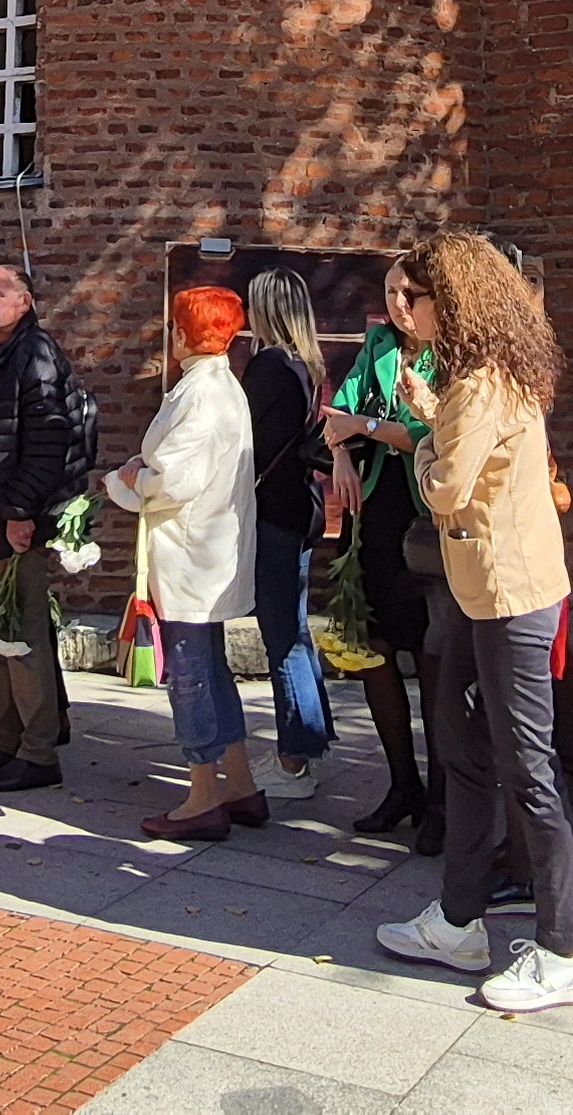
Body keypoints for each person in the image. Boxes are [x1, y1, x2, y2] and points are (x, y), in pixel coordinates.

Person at [371, 233, 573, 1014]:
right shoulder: (488, 375)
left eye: (415, 297)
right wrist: (434, 419)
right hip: (482, 588)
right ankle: (460, 920)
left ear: (451, 302)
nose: (404, 310)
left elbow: (444, 490)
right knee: (461, 748)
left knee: (527, 768)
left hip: (508, 591)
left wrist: (427, 436)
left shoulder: (479, 383)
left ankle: (564, 951)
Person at [109, 285, 266, 839]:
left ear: (183, 333)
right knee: (212, 667)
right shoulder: (220, 385)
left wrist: (131, 480)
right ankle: (241, 784)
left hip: (192, 555)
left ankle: (203, 793)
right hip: (208, 550)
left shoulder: (201, 394)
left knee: (191, 674)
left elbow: (177, 478)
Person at [0, 262, 89, 795]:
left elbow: (50, 441)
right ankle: (5, 735)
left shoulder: (37, 355)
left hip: (12, 517)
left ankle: (37, 751)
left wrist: (22, 511)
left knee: (22, 633)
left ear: (25, 301)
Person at [326, 312, 448, 847]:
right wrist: (340, 457)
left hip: (423, 517)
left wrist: (367, 428)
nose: (399, 304)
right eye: (391, 292)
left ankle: (443, 802)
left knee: (432, 656)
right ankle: (403, 785)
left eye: (410, 293)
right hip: (372, 516)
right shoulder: (376, 344)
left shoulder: (450, 353)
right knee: (375, 649)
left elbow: (434, 430)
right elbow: (338, 414)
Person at [239, 269, 336, 800]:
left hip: (272, 513)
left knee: (282, 638)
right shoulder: (307, 366)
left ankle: (294, 760)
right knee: (294, 631)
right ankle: (308, 740)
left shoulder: (268, 365)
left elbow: (240, 438)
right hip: (299, 509)